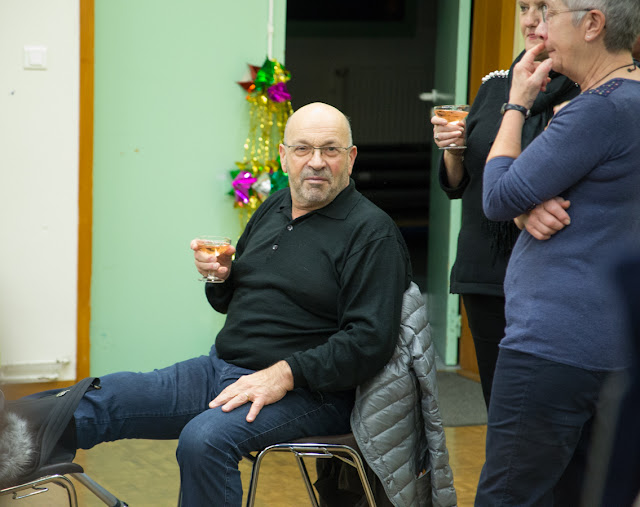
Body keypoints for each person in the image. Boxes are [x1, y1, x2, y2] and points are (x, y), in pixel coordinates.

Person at [72, 102, 413, 506]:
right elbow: (232, 301)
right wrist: (221, 276)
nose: (316, 161)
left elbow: (369, 341)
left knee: (204, 440)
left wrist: (283, 374)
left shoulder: (372, 233)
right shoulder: (274, 207)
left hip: (312, 393)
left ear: (351, 158)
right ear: (284, 156)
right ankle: (16, 448)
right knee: (94, 401)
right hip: (222, 369)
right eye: (303, 149)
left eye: (331, 150)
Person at [476, 0, 640, 505]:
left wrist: (516, 103)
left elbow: (497, 196)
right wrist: (529, 207)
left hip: (555, 346)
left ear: (592, 24)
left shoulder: (599, 109)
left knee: (509, 497)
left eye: (549, 13)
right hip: (615, 346)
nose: (539, 28)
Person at [430, 0, 579, 408]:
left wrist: (525, 206)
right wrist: (454, 150)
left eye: (543, 7)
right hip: (483, 268)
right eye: (523, 7)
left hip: (545, 271)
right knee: (497, 404)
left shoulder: (584, 87)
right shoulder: (496, 85)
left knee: (543, 408)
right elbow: (460, 185)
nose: (530, 19)